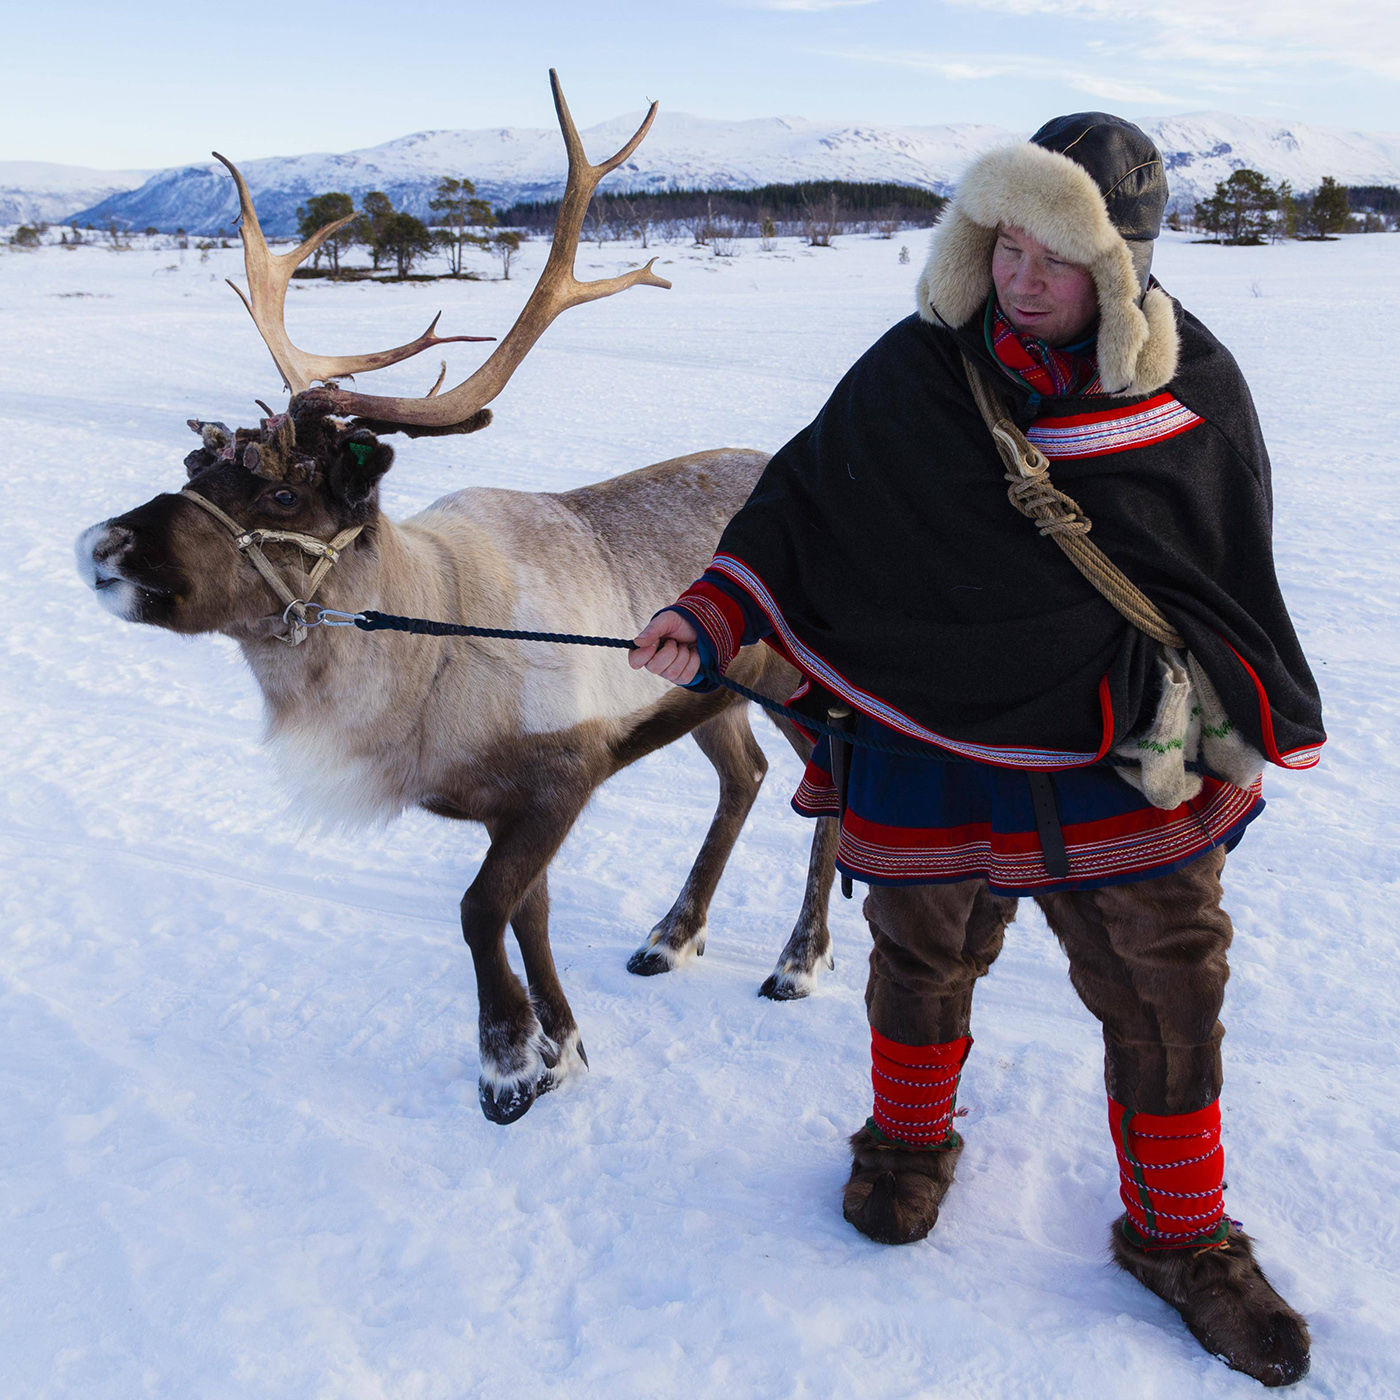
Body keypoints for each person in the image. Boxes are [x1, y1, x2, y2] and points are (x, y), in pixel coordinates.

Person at [631, 113, 1324, 1388]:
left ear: (1119, 267)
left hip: (1112, 744)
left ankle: (1180, 1237)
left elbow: (1221, 568)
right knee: (920, 945)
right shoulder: (914, 369)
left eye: (1053, 255)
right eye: (1004, 244)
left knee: (1168, 980)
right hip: (924, 733)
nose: (1018, 277)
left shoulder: (1188, 385)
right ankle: (904, 1143)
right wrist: (709, 612)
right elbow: (799, 501)